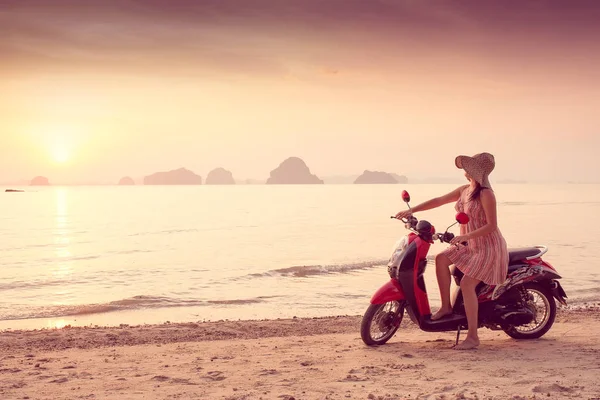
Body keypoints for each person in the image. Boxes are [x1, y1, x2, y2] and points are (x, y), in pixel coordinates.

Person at [395, 152, 508, 350]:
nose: (464, 170)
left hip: (488, 247)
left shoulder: (486, 194)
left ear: (474, 170)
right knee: (440, 259)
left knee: (466, 285)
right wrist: (413, 211)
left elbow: (492, 225)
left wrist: (465, 236)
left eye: (467, 166)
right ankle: (446, 307)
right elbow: (439, 200)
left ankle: (473, 336)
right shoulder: (465, 190)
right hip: (470, 245)